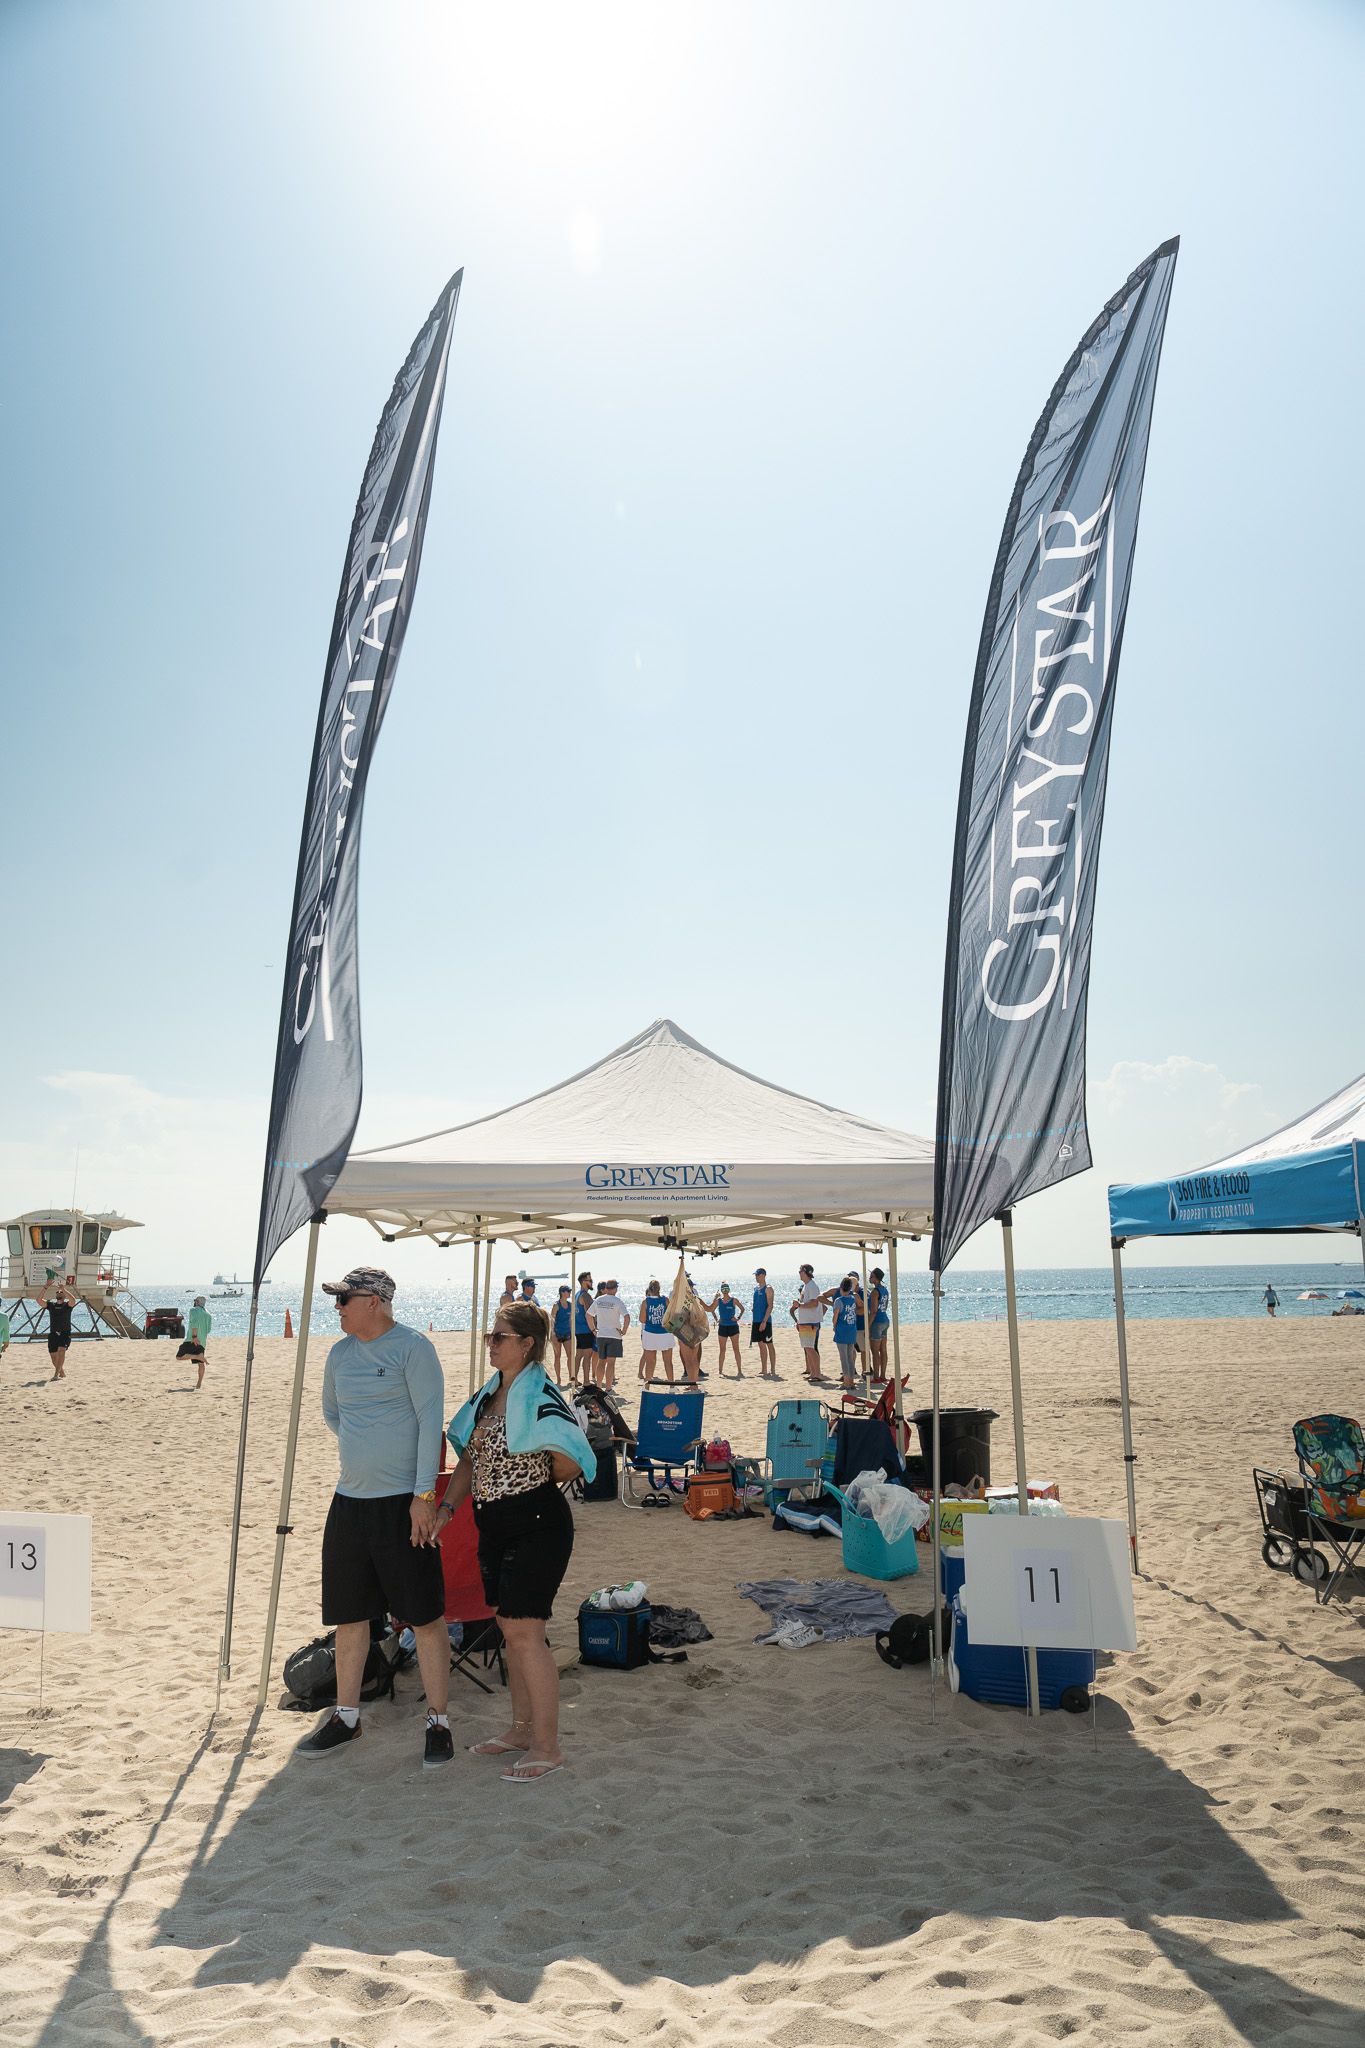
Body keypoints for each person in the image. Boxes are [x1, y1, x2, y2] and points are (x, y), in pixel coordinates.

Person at [296, 1267, 451, 1767]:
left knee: (424, 1617)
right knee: (349, 1616)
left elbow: (432, 1422)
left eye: (346, 1298)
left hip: (403, 1502)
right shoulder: (339, 1354)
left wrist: (423, 1494)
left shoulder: (413, 1348)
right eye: (336, 1299)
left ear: (377, 1301)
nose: (337, 1306)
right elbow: (333, 1415)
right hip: (349, 1502)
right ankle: (345, 1717)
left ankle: (438, 1720)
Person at [439, 1301, 594, 1782]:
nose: (491, 1342)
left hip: (537, 1524)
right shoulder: (490, 1396)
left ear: (527, 1344)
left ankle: (547, 1746)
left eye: (499, 1336)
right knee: (509, 1630)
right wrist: (446, 1509)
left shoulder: (542, 1393)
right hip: (495, 1524)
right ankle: (522, 1730)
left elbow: (569, 1458)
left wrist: (530, 1483)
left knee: (527, 1633)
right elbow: (469, 1460)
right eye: (490, 1335)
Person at [587, 1279, 630, 1392]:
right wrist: (624, 1330)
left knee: (601, 1361)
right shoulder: (617, 1301)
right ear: (615, 1289)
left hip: (601, 1334)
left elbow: (588, 1315)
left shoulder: (598, 1300)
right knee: (610, 1363)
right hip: (614, 1335)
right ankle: (608, 1388)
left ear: (606, 1288)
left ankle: (599, 1386)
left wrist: (593, 1329)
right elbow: (627, 1317)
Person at [792, 1263, 826, 1385]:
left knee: (811, 1348)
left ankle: (817, 1373)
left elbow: (814, 1303)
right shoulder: (807, 1286)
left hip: (811, 1321)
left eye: (800, 1271)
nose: (799, 1273)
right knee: (808, 1347)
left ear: (806, 1272)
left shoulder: (812, 1286)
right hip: (806, 1321)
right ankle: (813, 1372)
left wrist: (799, 1305)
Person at [825, 1276, 862, 1389]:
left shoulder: (838, 1301)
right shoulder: (852, 1299)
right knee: (850, 1357)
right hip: (851, 1330)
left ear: (841, 1288)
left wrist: (834, 1327)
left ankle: (846, 1382)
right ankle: (851, 1381)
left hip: (842, 1331)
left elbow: (835, 1317)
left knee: (844, 1358)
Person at [39, 1274, 76, 1381]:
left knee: (61, 1351)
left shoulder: (67, 1305)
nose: (59, 1292)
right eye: (58, 1292)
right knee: (53, 1357)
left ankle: (56, 1375)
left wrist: (64, 1289)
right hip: (53, 1333)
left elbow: (73, 1300)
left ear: (64, 1296)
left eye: (61, 1292)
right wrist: (46, 1286)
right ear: (55, 1295)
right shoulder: (51, 1305)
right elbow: (39, 1300)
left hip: (65, 1333)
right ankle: (62, 1373)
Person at [637, 1279, 675, 1383]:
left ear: (649, 1289)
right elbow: (672, 1316)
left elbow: (642, 1320)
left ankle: (648, 1386)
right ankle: (671, 1385)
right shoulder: (666, 1300)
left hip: (650, 1334)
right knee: (668, 1362)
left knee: (650, 1362)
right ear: (659, 1289)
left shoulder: (645, 1302)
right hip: (665, 1334)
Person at [705, 1283, 745, 1376]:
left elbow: (742, 1309)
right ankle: (720, 1371)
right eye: (723, 1289)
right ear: (722, 1291)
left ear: (729, 1290)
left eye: (727, 1289)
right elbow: (711, 1310)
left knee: (736, 1349)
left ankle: (739, 1371)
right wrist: (716, 1319)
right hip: (722, 1327)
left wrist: (738, 1318)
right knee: (722, 1350)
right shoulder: (719, 1301)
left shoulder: (734, 1300)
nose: (725, 1291)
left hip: (733, 1327)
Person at [177, 1294, 212, 1388]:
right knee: (201, 1363)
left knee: (179, 1356)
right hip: (202, 1342)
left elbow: (194, 1323)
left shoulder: (193, 1310)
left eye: (195, 1301)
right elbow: (208, 1330)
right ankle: (199, 1384)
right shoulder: (208, 1314)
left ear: (197, 1302)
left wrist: (194, 1336)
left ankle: (196, 1356)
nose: (194, 1302)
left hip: (192, 1339)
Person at [750, 1268, 778, 1379]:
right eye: (755, 1275)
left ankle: (773, 1369)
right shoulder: (756, 1289)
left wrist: (764, 1321)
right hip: (756, 1320)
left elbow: (770, 1306)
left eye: (758, 1275)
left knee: (769, 1344)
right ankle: (764, 1369)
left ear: (763, 1275)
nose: (756, 1277)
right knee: (761, 1345)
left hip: (765, 1321)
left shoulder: (768, 1288)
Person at [867, 1267, 891, 1380]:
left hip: (877, 1322)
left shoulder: (875, 1292)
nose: (869, 1278)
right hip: (885, 1319)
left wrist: (868, 1326)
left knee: (875, 1351)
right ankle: (883, 1375)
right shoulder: (885, 1290)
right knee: (883, 1349)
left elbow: (873, 1311)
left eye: (871, 1276)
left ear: (876, 1278)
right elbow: (885, 1306)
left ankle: (876, 1376)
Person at [573, 1270, 596, 1385]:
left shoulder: (577, 1294)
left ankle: (574, 1379)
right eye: (590, 1280)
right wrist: (594, 1329)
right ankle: (586, 1381)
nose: (592, 1282)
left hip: (578, 1329)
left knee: (579, 1355)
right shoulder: (585, 1295)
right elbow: (590, 1314)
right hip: (586, 1330)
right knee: (587, 1356)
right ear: (583, 1282)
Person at [549, 1286, 573, 1382]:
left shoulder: (570, 1305)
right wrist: (552, 1334)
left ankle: (571, 1377)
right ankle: (558, 1378)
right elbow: (552, 1320)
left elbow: (571, 1320)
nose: (570, 1293)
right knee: (557, 1356)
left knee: (570, 1355)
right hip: (557, 1333)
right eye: (568, 1291)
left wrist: (572, 1331)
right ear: (562, 1293)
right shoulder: (556, 1305)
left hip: (567, 1333)